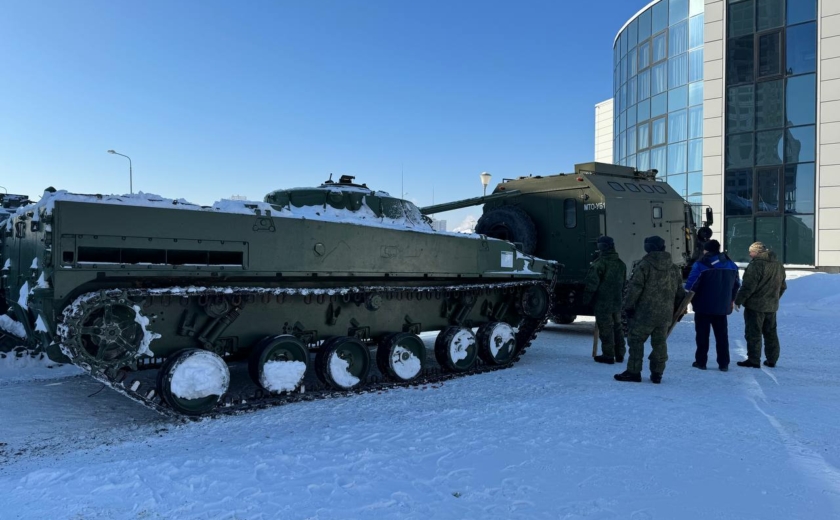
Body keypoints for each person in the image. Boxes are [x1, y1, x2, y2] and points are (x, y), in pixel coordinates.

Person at [615, 235, 685, 384]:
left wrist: (628, 306)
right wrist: (679, 310)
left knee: (636, 341)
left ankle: (634, 372)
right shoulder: (673, 267)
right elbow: (679, 291)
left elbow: (635, 288)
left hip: (644, 313)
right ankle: (657, 373)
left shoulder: (644, 266)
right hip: (665, 314)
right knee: (660, 343)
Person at [684, 239, 740, 372]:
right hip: (722, 306)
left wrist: (686, 299)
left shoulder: (701, 264)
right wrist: (731, 300)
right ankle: (724, 363)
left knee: (702, 335)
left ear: (706, 250)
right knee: (722, 336)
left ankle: (701, 361)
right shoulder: (731, 265)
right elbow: (736, 284)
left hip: (703, 306)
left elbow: (691, 284)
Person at [734, 242, 786, 368]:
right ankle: (772, 359)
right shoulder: (778, 265)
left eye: (751, 252)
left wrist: (738, 300)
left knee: (753, 333)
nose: (749, 254)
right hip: (771, 306)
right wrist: (774, 298)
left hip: (755, 306)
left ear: (757, 252)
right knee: (770, 333)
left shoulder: (756, 265)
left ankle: (754, 360)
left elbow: (748, 286)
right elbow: (783, 286)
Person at [582, 236, 627, 364]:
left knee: (606, 328)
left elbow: (592, 285)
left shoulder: (599, 264)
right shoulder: (621, 264)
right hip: (616, 301)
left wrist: (586, 300)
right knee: (617, 327)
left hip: (602, 303)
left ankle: (608, 355)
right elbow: (623, 284)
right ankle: (620, 353)